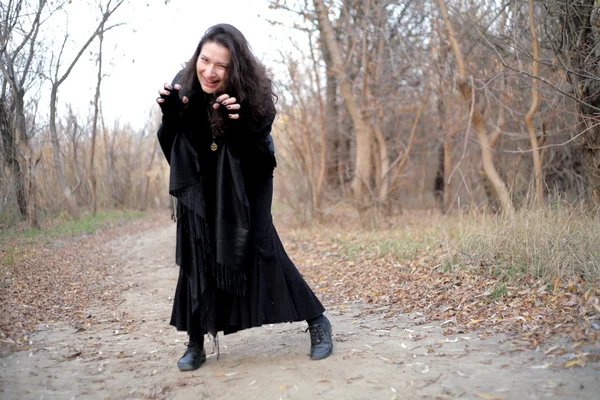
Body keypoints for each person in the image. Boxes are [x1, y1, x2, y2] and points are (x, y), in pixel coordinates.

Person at [156, 23, 333, 371]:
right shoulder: (185, 83)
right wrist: (173, 117)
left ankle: (318, 321)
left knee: (262, 246)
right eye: (205, 60)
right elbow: (174, 144)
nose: (210, 71)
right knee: (198, 249)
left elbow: (259, 153)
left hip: (249, 176)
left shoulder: (254, 93)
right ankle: (196, 342)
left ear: (234, 67)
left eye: (220, 65)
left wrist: (233, 126)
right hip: (202, 178)